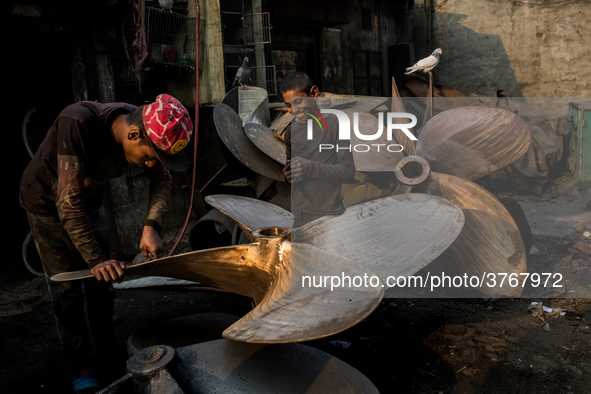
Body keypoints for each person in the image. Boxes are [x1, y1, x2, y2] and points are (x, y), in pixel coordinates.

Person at [19, 93, 193, 393]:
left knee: (103, 282)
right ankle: (79, 365)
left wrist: (151, 226)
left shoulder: (142, 128)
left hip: (88, 196)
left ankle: (105, 347)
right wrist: (95, 259)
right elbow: (67, 205)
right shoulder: (77, 123)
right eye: (150, 156)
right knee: (68, 287)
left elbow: (162, 179)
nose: (151, 163)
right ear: (134, 134)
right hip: (47, 204)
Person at [281, 72, 355, 227]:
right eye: (288, 105)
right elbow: (292, 171)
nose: (293, 110)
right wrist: (288, 177)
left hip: (329, 215)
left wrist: (310, 168)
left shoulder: (334, 124)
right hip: (299, 215)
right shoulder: (290, 132)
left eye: (298, 101)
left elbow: (348, 171)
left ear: (313, 94)